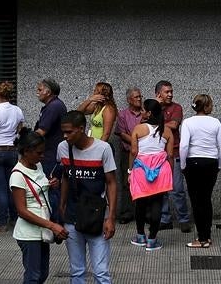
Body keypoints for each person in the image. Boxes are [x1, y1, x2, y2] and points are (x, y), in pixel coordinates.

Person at [58, 111, 117, 284]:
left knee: (101, 272)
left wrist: (111, 218)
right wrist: (61, 207)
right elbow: (66, 177)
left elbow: (112, 183)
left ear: (81, 129)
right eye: (63, 132)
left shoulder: (103, 149)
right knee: (77, 272)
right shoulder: (62, 148)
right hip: (72, 216)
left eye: (69, 132)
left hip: (97, 216)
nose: (65, 136)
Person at [10, 128, 68, 284]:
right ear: (27, 151)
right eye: (39, 153)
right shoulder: (17, 175)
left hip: (42, 231)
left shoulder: (38, 166)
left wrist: (51, 184)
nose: (42, 156)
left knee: (42, 273)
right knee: (33, 276)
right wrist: (52, 226)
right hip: (29, 234)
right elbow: (22, 211)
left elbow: (39, 189)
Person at [179, 94, 221, 247]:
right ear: (207, 106)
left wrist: (183, 165)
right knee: (206, 199)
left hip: (193, 162)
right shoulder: (216, 123)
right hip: (211, 162)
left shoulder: (188, 122)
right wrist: (219, 165)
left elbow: (184, 146)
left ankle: (202, 238)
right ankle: (207, 235)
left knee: (196, 201)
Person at [128, 99, 174, 251]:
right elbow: (170, 154)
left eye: (143, 110)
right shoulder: (166, 130)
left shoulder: (138, 129)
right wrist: (171, 173)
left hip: (141, 169)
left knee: (140, 203)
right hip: (161, 169)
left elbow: (134, 152)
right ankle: (152, 240)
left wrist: (130, 170)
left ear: (148, 113)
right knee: (157, 203)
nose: (141, 112)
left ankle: (140, 236)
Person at [154, 80, 191, 233]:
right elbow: (143, 122)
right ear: (158, 94)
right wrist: (155, 110)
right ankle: (165, 219)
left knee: (177, 189)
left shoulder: (176, 108)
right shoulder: (152, 107)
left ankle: (184, 219)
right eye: (166, 92)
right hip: (156, 154)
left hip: (174, 153)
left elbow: (174, 125)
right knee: (160, 190)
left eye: (171, 91)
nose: (170, 94)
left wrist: (154, 122)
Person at [0, 81, 25, 232]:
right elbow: (21, 130)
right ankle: (15, 218)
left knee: (0, 188)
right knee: (12, 186)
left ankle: (2, 223)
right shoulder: (17, 110)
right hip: (12, 151)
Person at [34, 78, 67, 224]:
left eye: (40, 90)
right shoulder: (50, 106)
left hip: (52, 156)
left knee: (53, 189)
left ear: (48, 92)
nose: (38, 93)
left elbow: (42, 131)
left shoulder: (54, 106)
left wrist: (26, 140)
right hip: (49, 154)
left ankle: (57, 222)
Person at [114, 87, 143, 224]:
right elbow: (121, 132)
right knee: (127, 182)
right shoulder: (123, 115)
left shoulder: (145, 114)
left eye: (140, 96)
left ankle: (144, 213)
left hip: (144, 154)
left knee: (144, 182)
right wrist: (135, 141)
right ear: (129, 100)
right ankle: (127, 212)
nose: (139, 99)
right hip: (127, 153)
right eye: (136, 97)